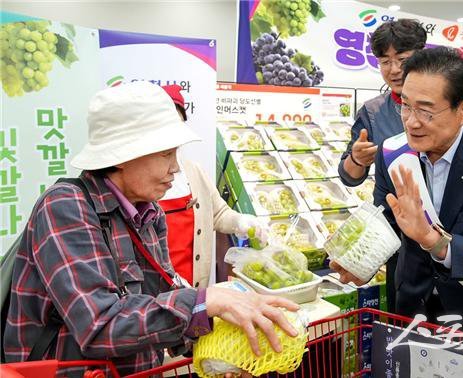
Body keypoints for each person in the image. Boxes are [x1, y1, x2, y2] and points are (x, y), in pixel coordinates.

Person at [3, 81, 299, 376]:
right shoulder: (65, 208)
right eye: (166, 154)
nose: (176, 168)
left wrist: (223, 345)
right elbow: (99, 326)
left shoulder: (148, 213)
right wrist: (206, 301)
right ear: (122, 156)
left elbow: (159, 302)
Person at [332, 47, 463, 376]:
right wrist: (357, 259)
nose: (411, 122)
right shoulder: (393, 153)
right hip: (413, 312)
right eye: (405, 106)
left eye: (426, 111)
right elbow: (387, 217)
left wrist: (435, 241)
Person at [337, 19, 463, 312]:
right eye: (385, 61)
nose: (394, 69)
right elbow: (351, 178)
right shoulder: (372, 112)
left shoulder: (459, 100)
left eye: (403, 60)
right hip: (407, 252)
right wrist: (357, 160)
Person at [158, 84, 267, 288]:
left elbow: (217, 213)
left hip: (194, 292)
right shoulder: (136, 183)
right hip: (153, 297)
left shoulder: (193, 172)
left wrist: (240, 221)